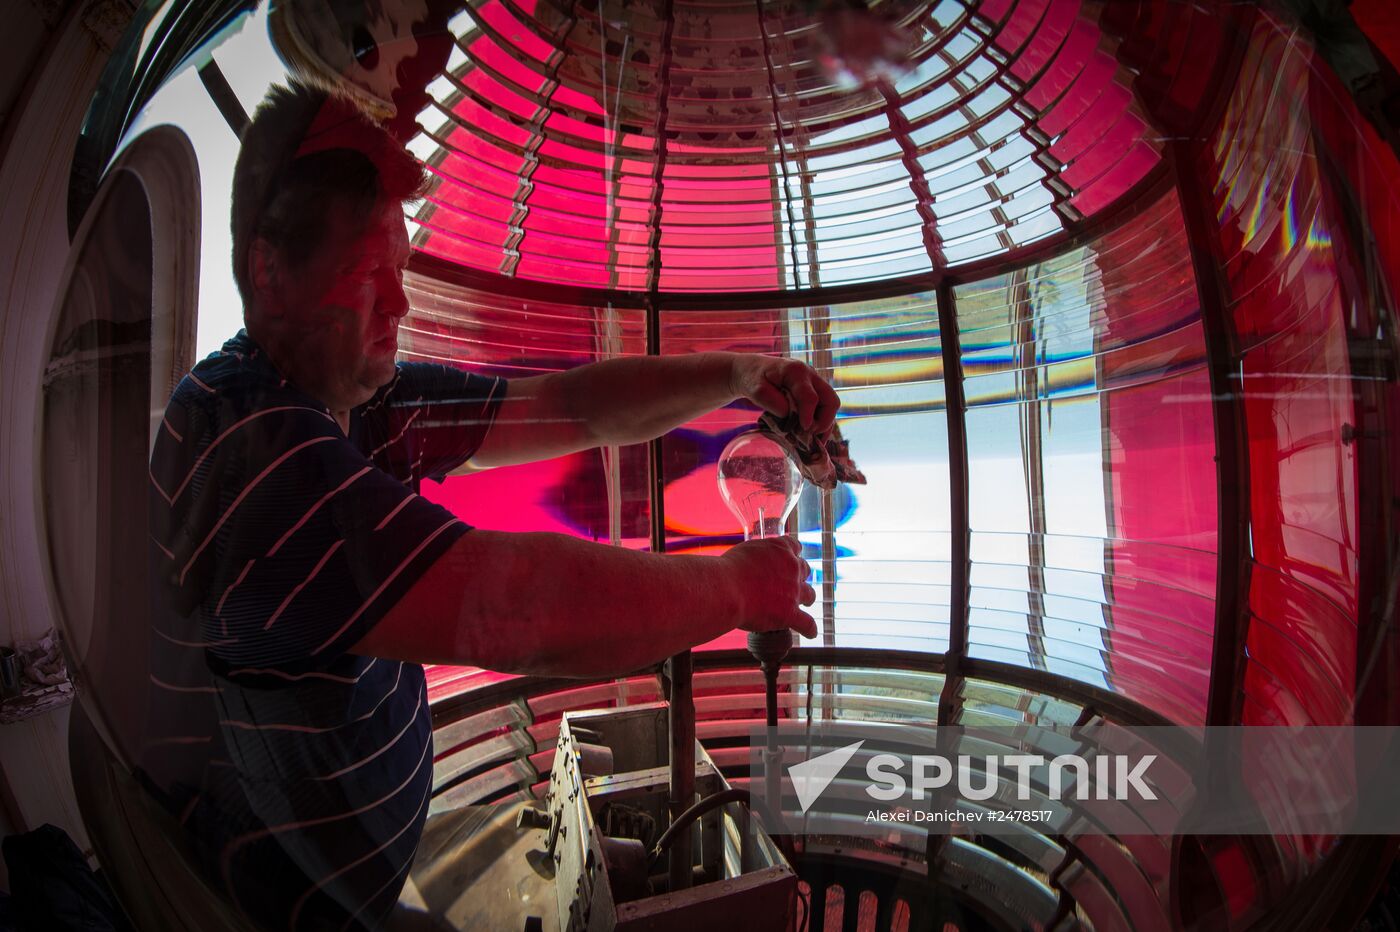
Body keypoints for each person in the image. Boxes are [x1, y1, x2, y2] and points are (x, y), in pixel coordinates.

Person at [144, 82, 839, 931]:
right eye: (370, 278)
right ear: (269, 271)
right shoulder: (249, 454)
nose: (399, 306)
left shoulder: (357, 399)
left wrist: (738, 376)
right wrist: (733, 591)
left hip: (347, 888)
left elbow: (573, 407)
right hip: (277, 910)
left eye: (397, 272)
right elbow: (514, 611)